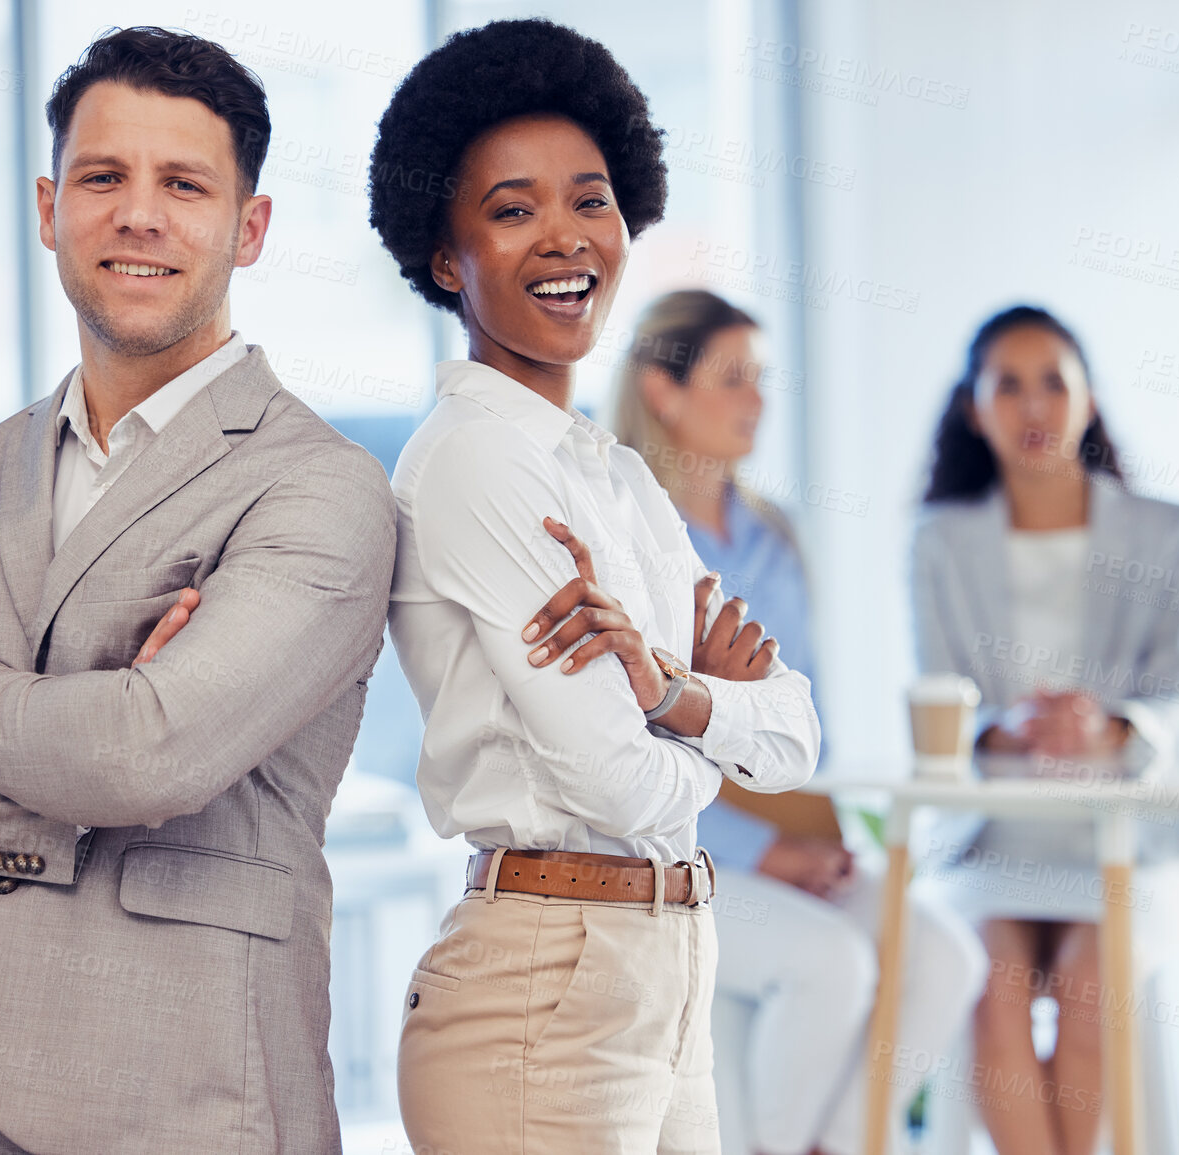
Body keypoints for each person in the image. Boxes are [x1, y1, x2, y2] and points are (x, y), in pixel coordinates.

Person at [0, 28, 396, 1154]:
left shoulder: (324, 491)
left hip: (183, 1101)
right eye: (104, 178)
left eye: (185, 184)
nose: (139, 214)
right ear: (49, 205)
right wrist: (80, 789)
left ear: (249, 228)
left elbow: (141, 755)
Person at [370, 20, 820, 1155]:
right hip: (544, 990)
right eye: (512, 210)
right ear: (444, 256)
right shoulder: (478, 462)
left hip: (663, 970)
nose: (566, 238)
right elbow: (617, 787)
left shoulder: (613, 475)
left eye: (593, 199)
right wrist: (707, 719)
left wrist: (671, 696)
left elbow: (799, 731)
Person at [612, 289, 986, 1155]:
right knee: (834, 966)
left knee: (944, 956)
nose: (757, 402)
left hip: (790, 831)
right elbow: (636, 744)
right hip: (679, 853)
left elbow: (795, 719)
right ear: (663, 391)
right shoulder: (634, 536)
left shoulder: (773, 535)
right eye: (733, 378)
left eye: (763, 379)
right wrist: (760, 852)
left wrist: (821, 837)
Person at [912, 305, 1179, 1155]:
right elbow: (937, 693)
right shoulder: (940, 539)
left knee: (1088, 986)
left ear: (1091, 401)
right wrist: (997, 729)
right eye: (1008, 385)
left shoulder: (1161, 529)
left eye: (1053, 383)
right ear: (974, 408)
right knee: (989, 986)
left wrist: (1110, 723)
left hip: (1125, 841)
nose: (1033, 408)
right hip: (990, 840)